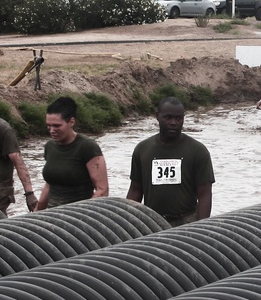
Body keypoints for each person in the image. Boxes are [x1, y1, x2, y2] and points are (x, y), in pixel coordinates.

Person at [127, 97, 214, 226]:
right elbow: (135, 190)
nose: (173, 122)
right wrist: (128, 222)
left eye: (178, 118)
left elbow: (205, 194)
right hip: (151, 222)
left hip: (186, 221)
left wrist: (201, 227)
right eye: (167, 117)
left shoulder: (197, 151)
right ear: (157, 116)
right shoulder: (143, 149)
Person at [35, 96, 109, 209]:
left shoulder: (88, 147)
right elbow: (49, 184)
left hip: (77, 217)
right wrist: (37, 211)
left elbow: (102, 190)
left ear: (72, 122)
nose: (51, 131)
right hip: (51, 214)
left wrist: (83, 215)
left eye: (56, 126)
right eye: (48, 126)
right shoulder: (50, 147)